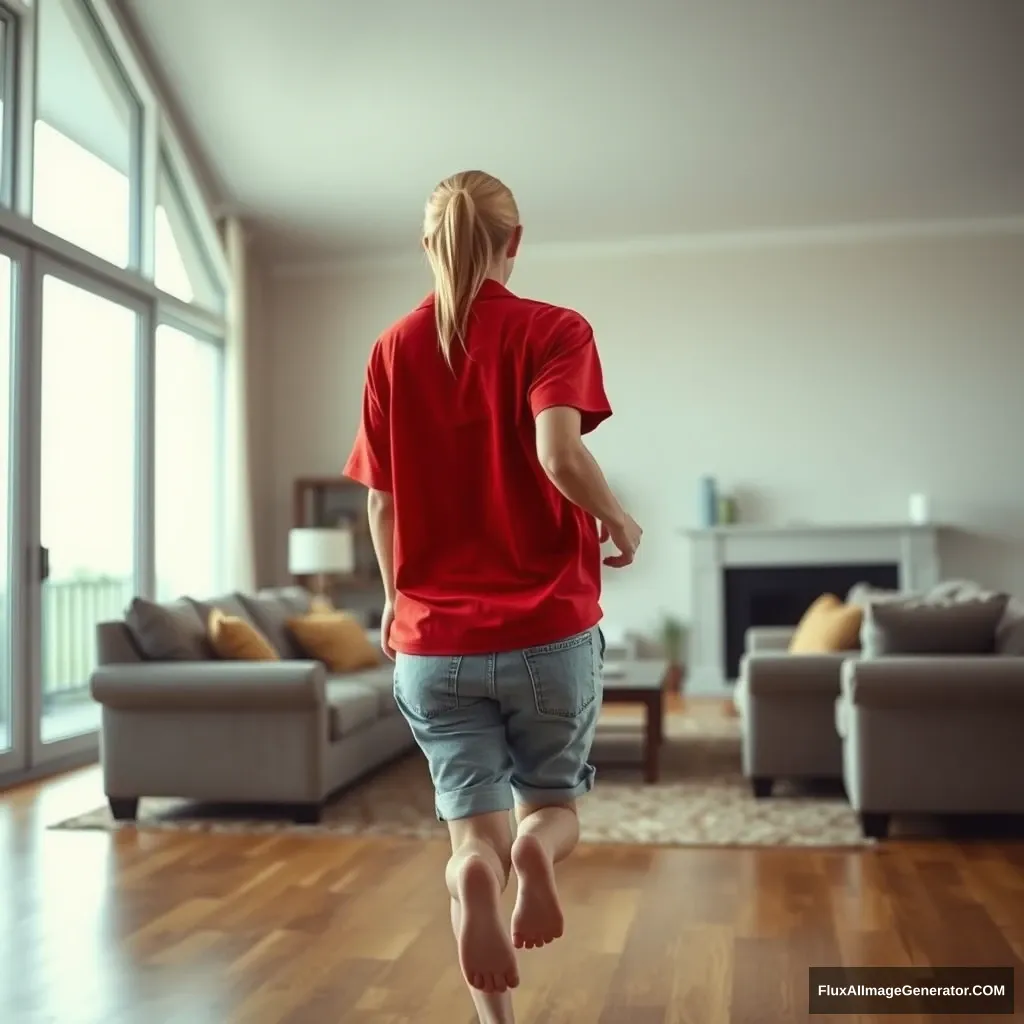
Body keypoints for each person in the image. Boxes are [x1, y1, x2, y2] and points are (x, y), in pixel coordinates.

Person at [343, 169, 642, 1024]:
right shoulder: (556, 330)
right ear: (516, 242)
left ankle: (482, 913)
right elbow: (559, 455)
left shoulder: (391, 350)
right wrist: (620, 520)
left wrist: (400, 609)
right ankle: (536, 856)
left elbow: (380, 502)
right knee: (551, 808)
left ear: (428, 244)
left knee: (470, 839)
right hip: (548, 633)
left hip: (433, 646)